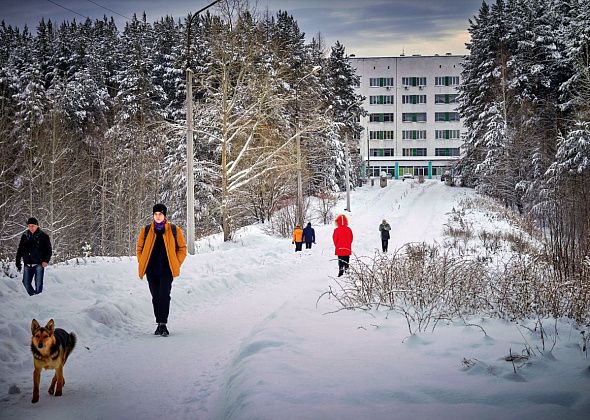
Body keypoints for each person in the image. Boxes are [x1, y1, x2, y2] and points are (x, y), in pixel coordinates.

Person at [136, 204, 187, 337]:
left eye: (160, 214)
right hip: (151, 271)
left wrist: (176, 262)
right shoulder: (146, 231)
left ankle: (163, 324)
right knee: (155, 297)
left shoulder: (174, 230)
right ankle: (159, 323)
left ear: (165, 216)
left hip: (166, 270)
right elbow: (139, 249)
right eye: (156, 214)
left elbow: (182, 249)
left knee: (164, 296)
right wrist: (143, 262)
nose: (158, 216)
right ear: (153, 215)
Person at [15, 217, 52, 296]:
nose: (31, 227)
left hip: (39, 264)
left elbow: (49, 250)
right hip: (27, 264)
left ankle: (39, 301)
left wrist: (46, 260)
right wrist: (18, 262)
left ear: (37, 226)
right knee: (25, 284)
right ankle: (34, 299)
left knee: (38, 285)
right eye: (29, 225)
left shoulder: (44, 236)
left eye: (33, 226)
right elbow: (20, 249)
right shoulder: (25, 236)